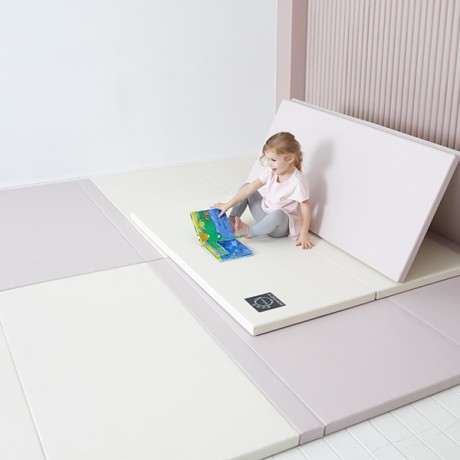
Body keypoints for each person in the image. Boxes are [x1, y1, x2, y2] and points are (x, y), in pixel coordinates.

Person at [212, 132, 314, 250]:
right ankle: (232, 221)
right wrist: (227, 204)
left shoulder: (298, 181)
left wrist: (304, 234)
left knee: (278, 213)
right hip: (264, 214)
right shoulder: (271, 171)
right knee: (246, 186)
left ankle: (249, 231)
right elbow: (250, 188)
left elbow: (306, 207)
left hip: (280, 226)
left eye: (273, 160)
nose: (269, 164)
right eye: (268, 159)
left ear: (290, 159)